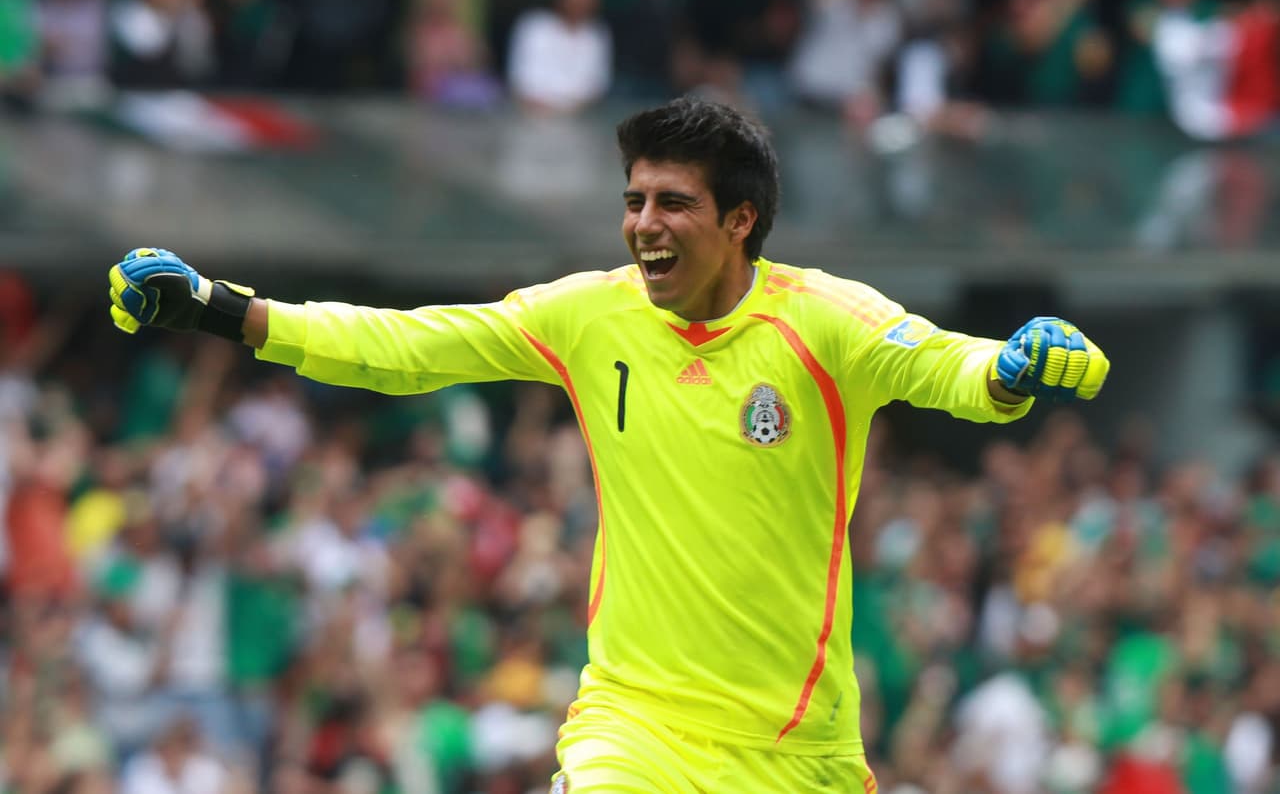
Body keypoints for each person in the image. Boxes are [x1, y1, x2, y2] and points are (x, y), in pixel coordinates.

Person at [107, 97, 1110, 792]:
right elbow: (406, 346)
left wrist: (1013, 368)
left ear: (739, 218)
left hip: (793, 747)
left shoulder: (828, 321)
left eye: (671, 201)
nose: (641, 224)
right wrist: (222, 310)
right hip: (632, 724)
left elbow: (946, 367)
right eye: (633, 199)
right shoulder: (588, 315)